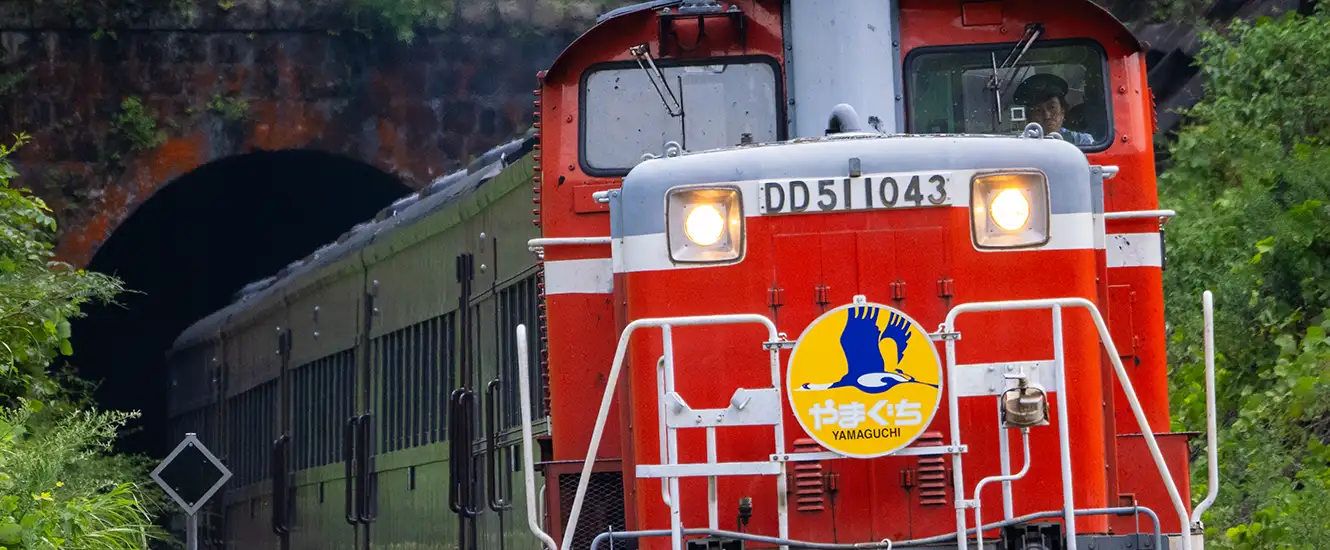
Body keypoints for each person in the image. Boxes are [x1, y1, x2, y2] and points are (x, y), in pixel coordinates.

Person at [1013, 73, 1095, 146]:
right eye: (1038, 110)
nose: (1047, 116)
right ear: (1030, 118)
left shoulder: (1082, 141)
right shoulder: (1021, 145)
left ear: (1062, 112)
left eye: (1052, 108)